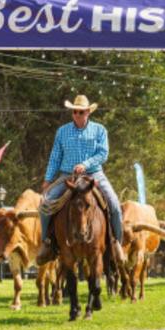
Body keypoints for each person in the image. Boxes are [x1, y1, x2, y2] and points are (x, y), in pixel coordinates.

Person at [38, 94, 124, 265]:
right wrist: (48, 179)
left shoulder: (100, 130)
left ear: (88, 112)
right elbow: (55, 156)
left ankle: (117, 244)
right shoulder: (62, 132)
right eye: (75, 112)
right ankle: (47, 243)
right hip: (66, 176)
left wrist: (85, 164)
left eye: (81, 112)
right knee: (45, 206)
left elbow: (103, 154)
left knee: (114, 206)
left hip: (94, 174)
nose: (77, 115)